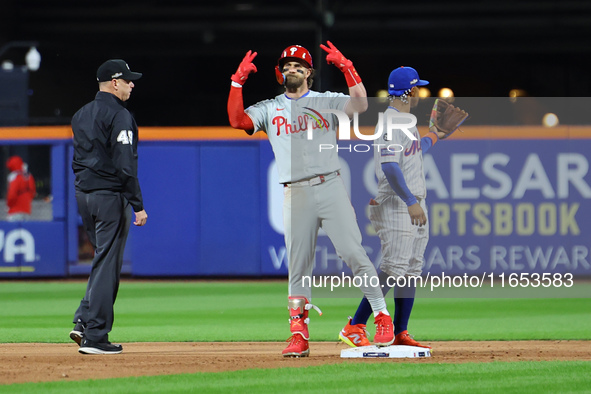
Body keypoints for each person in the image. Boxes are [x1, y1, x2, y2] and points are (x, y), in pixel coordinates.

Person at [227, 42, 394, 357]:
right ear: (280, 73)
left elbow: (361, 106)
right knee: (299, 266)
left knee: (353, 253)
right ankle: (298, 334)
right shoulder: (269, 107)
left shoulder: (326, 101)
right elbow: (238, 121)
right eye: (287, 65)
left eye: (299, 65)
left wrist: (347, 67)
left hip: (329, 185)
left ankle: (382, 316)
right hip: (295, 191)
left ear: (309, 73)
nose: (293, 69)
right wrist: (237, 83)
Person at [339, 66, 447, 349]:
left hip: (412, 200)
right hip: (398, 202)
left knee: (411, 269)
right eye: (418, 88)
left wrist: (435, 134)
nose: (420, 93)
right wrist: (411, 201)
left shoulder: (404, 120)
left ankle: (401, 331)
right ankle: (355, 325)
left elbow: (416, 150)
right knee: (393, 267)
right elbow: (389, 166)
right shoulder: (390, 122)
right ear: (410, 91)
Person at [69, 59, 148, 355]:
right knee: (109, 264)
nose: (132, 84)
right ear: (114, 83)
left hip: (84, 195)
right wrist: (138, 204)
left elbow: (78, 160)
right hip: (109, 197)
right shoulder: (120, 115)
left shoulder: (80, 115)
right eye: (128, 80)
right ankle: (96, 336)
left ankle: (83, 320)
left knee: (102, 261)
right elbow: (125, 165)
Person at [5, 155, 36, 221]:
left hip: (15, 210)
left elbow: (11, 195)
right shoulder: (29, 176)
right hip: (27, 210)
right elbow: (33, 193)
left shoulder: (14, 177)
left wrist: (9, 204)